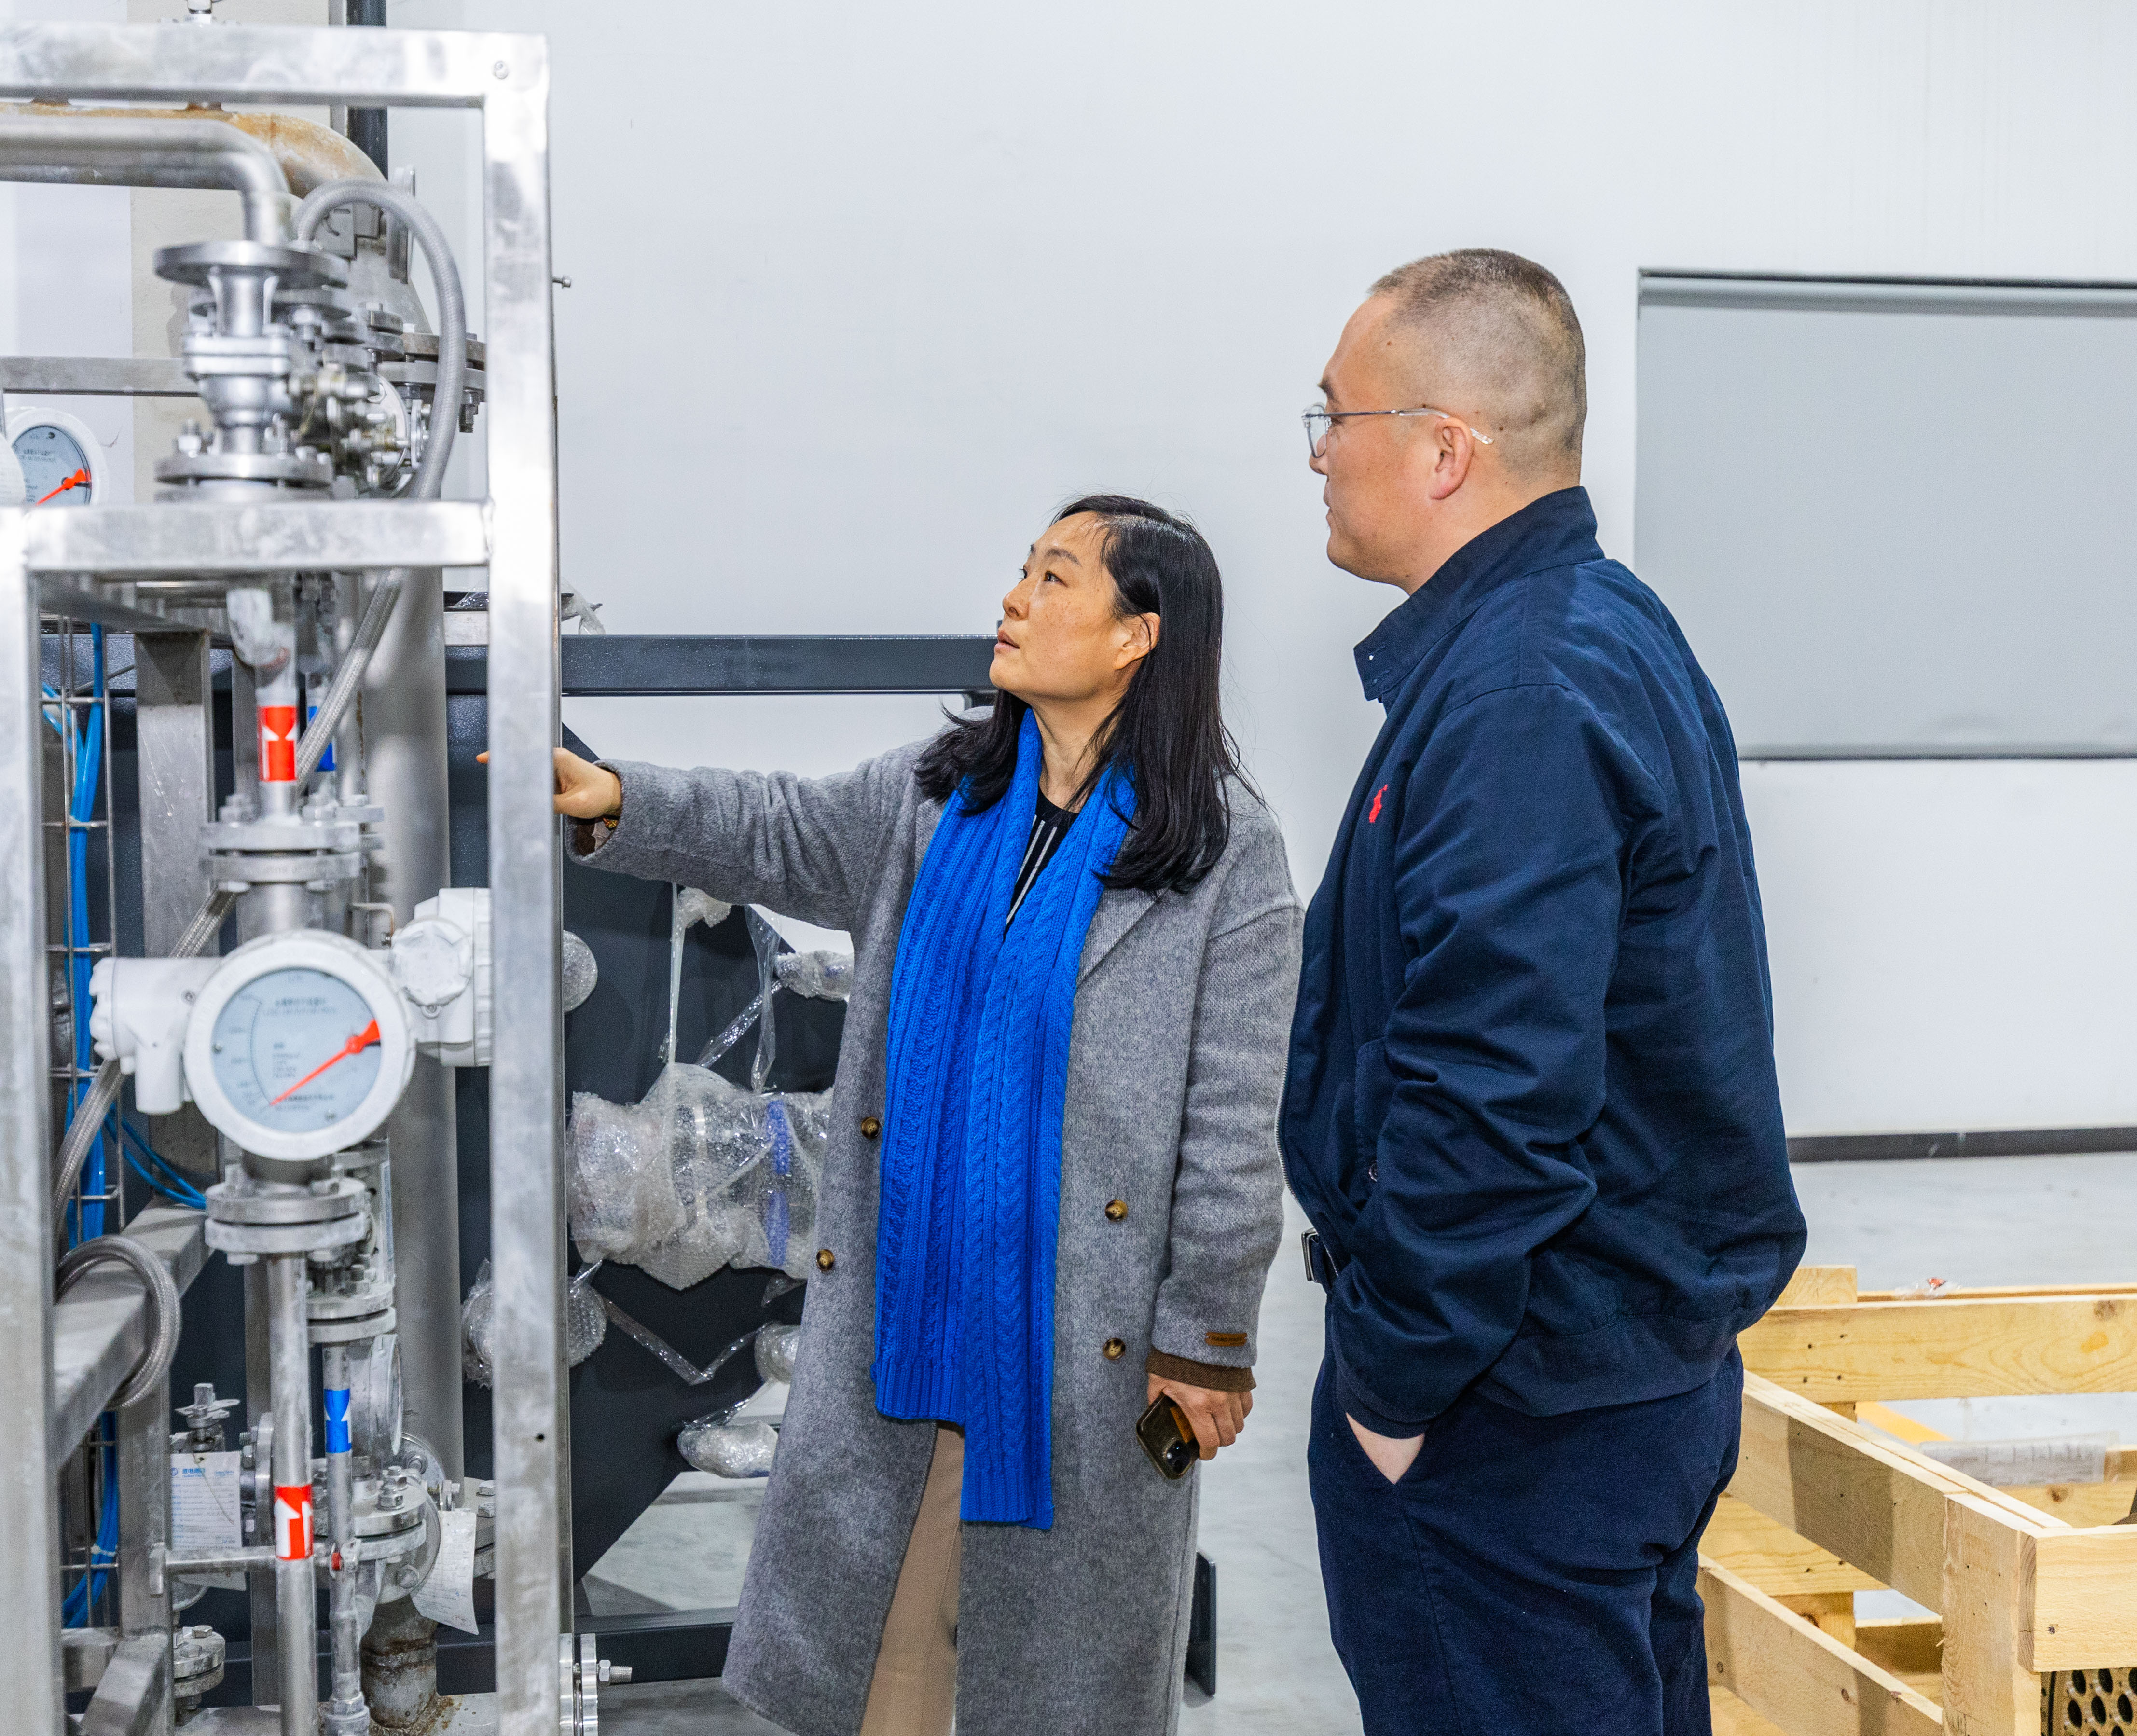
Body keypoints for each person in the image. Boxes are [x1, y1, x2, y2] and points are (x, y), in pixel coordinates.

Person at [544, 496, 1298, 1736]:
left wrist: (1203, 1337)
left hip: (1075, 1347)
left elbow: (1230, 1127)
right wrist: (621, 795)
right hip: (901, 1326)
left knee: (1049, 1684)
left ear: (1136, 637)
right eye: (1022, 570)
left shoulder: (1221, 859)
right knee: (879, 1677)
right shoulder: (932, 799)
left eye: (1054, 578)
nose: (1012, 598)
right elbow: (771, 826)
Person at [1282, 249, 1808, 1736]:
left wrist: (1389, 1393)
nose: (1317, 452)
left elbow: (1492, 1090)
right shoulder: (1589, 623)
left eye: (1335, 414)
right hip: (1613, 1379)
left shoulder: (1516, 688)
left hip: (1515, 1413)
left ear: (1444, 448)